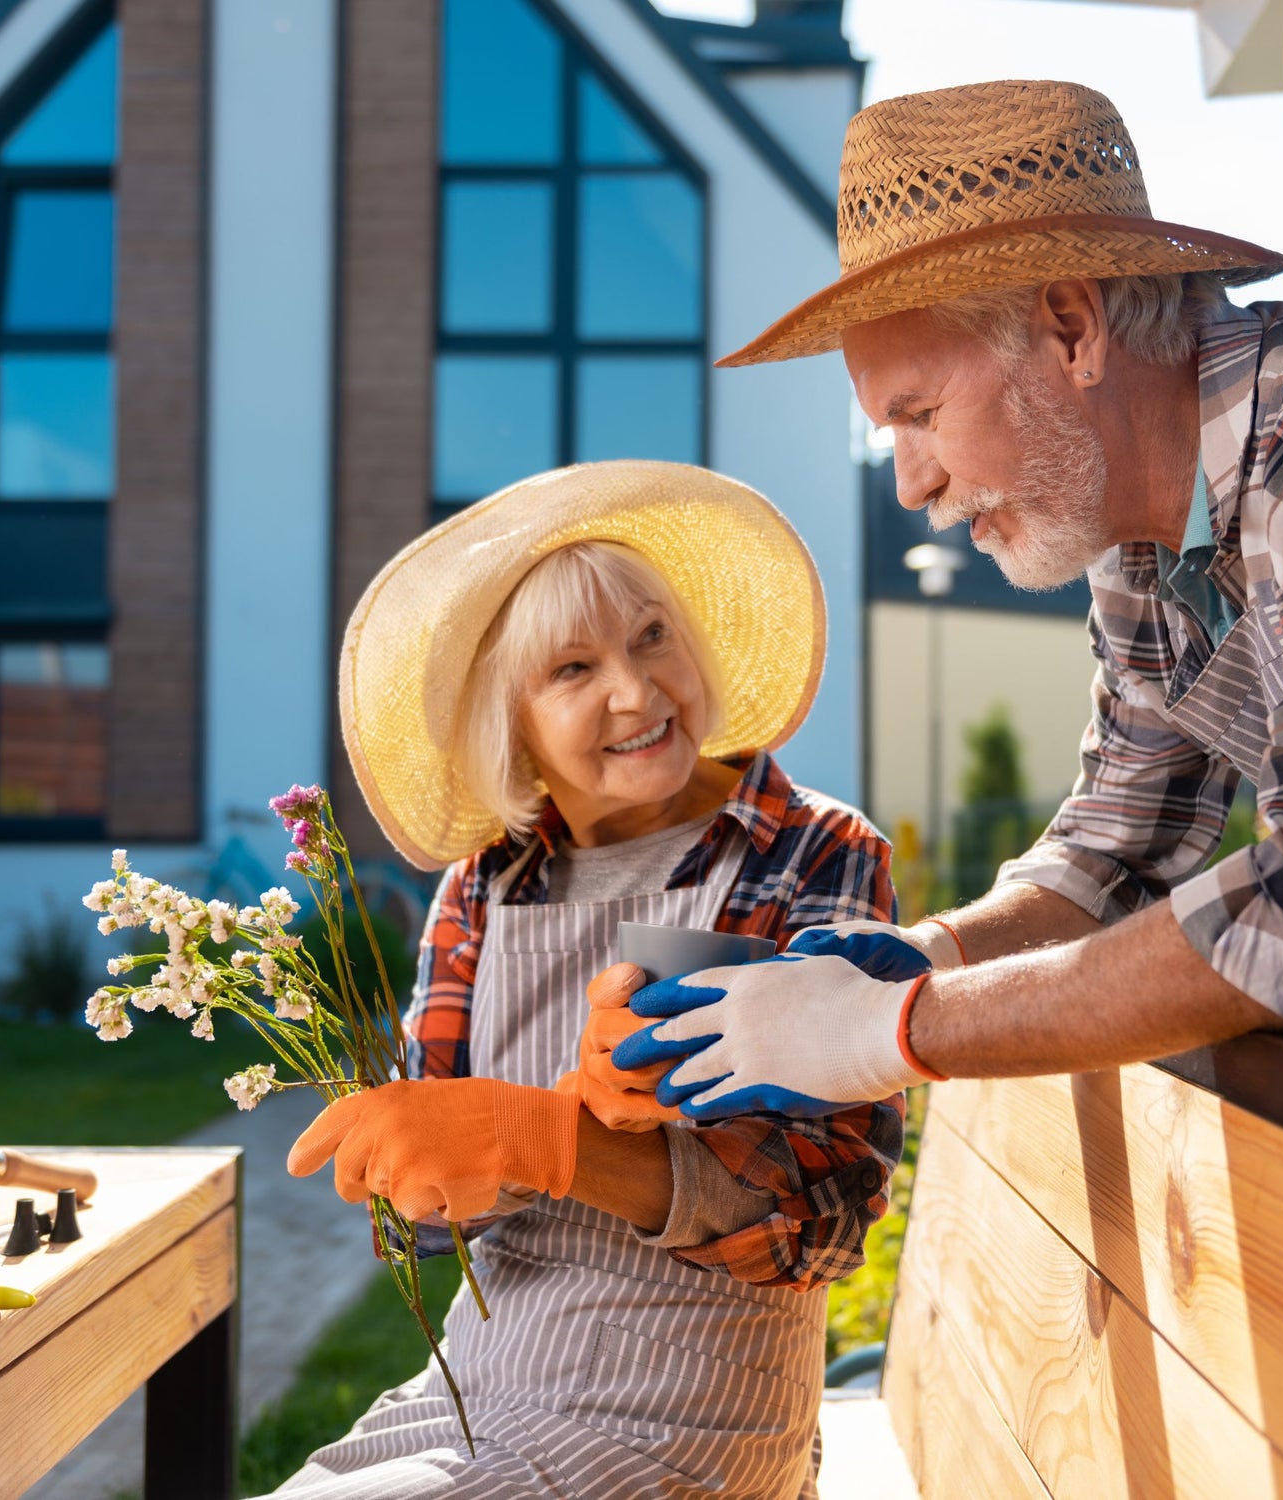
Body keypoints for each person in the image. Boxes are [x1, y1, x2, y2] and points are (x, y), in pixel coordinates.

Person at [606, 79, 1283, 1119]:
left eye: (922, 414)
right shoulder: (1138, 540)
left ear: (1072, 327)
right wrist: (909, 958)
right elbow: (1112, 856)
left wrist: (891, 1032)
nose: (911, 485)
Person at [274, 460, 903, 1499]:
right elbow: (428, 1232)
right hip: (473, 1388)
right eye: (573, 669)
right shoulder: (486, 886)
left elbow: (825, 1218)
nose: (636, 690)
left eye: (652, 636)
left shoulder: (811, 852)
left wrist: (551, 1140)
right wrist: (438, 1150)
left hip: (696, 1407)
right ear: (508, 718)